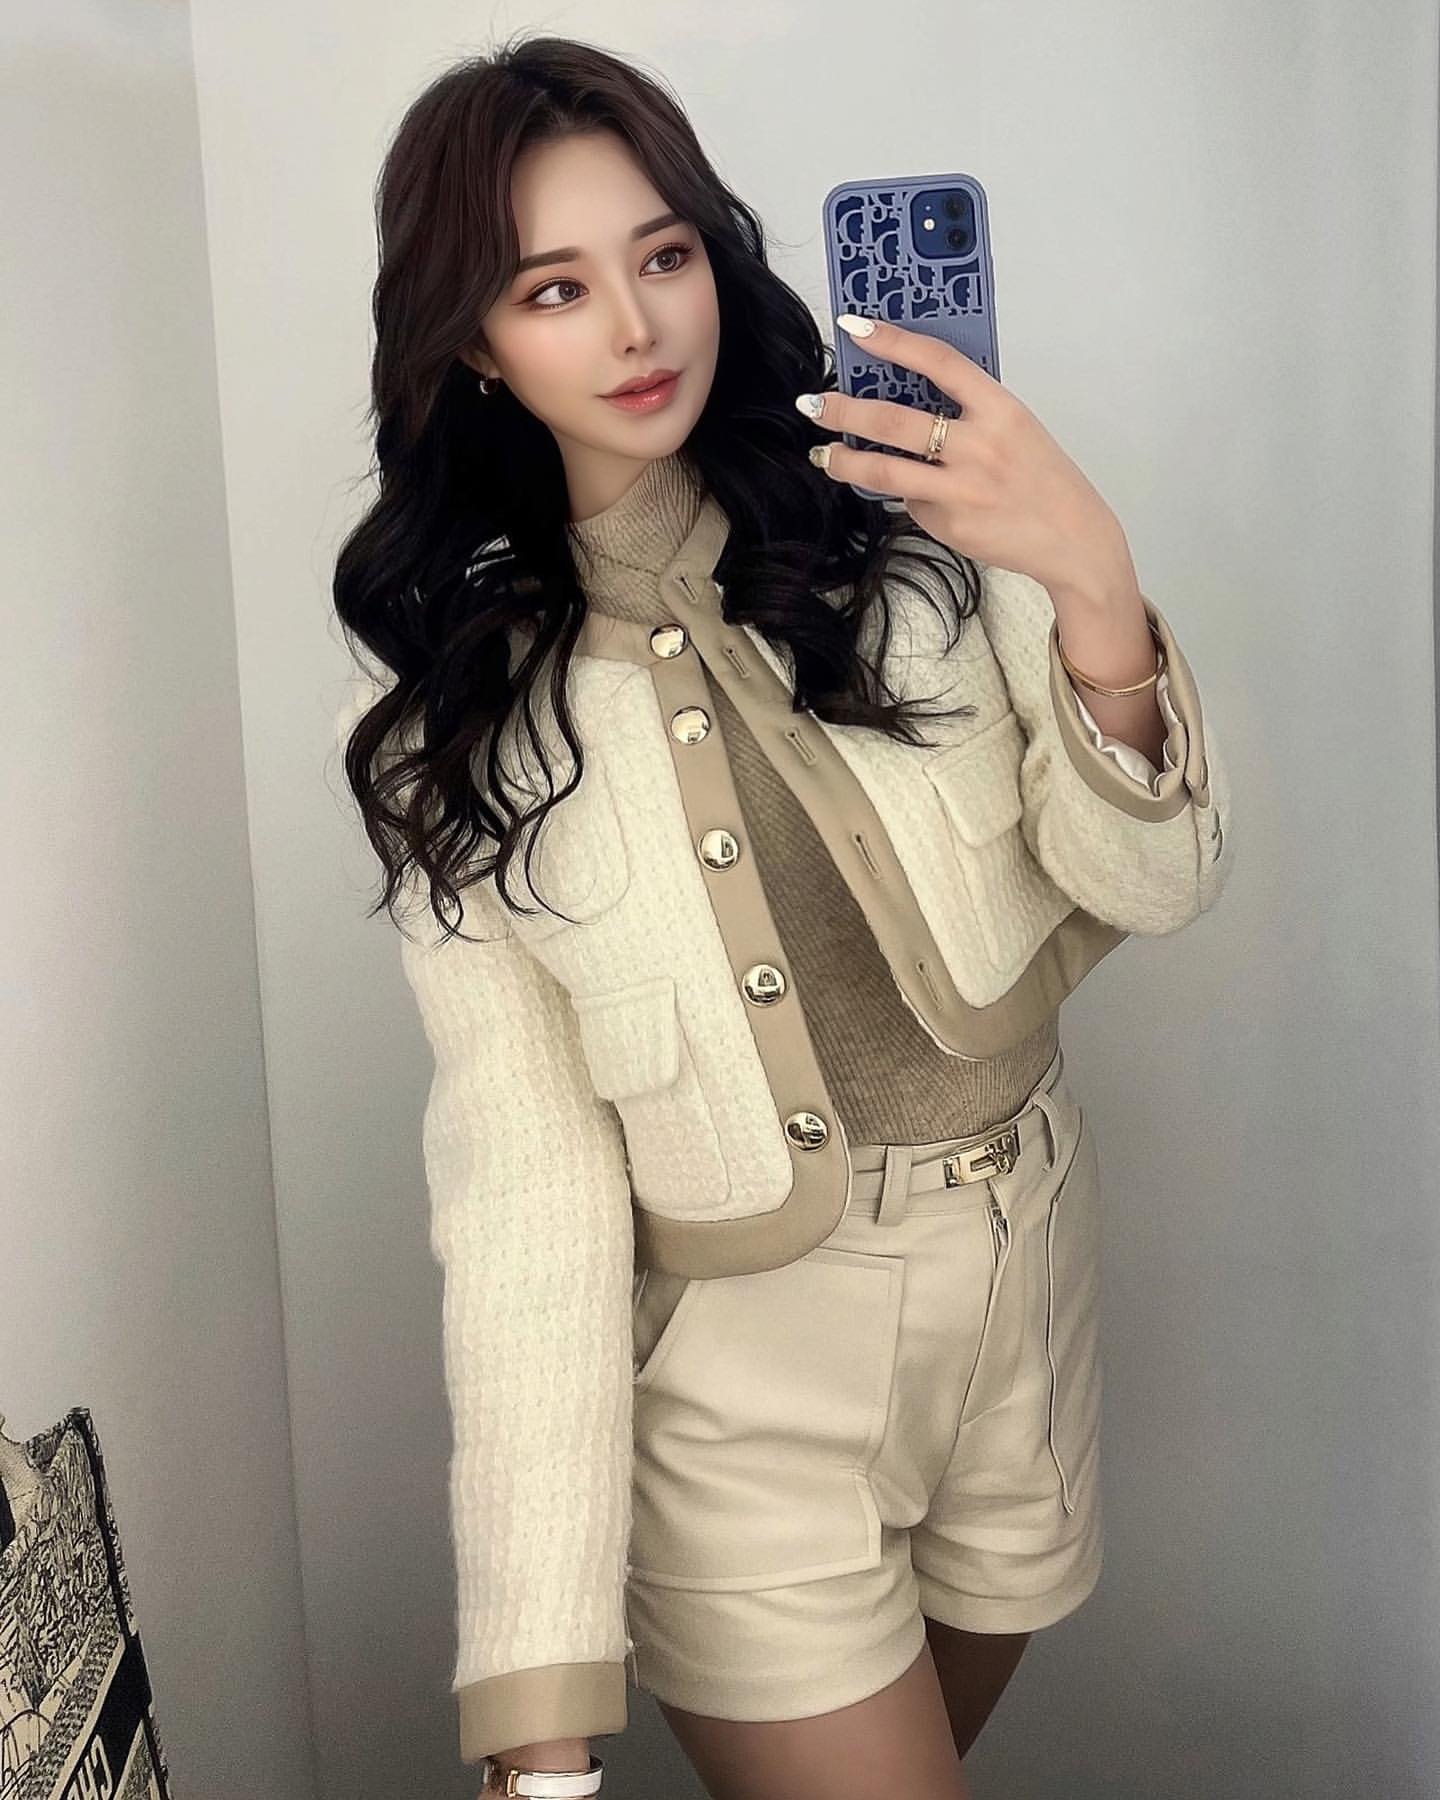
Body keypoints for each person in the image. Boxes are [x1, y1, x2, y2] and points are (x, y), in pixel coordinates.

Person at [333, 32, 1232, 1800]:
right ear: (477, 346)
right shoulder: (460, 717)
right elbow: (522, 1184)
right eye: (554, 289)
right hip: (747, 1398)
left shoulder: (899, 525)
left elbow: (1155, 879)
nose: (636, 326)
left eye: (663, 255)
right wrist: (533, 1700)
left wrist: (1088, 575)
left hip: (1027, 1297)